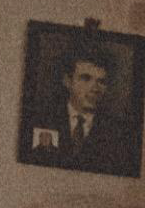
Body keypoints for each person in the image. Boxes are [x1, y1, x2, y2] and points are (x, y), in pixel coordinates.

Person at [31, 45, 138, 176]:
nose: (95, 89)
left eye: (101, 82)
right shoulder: (40, 118)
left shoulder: (120, 133)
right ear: (67, 81)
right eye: (85, 78)